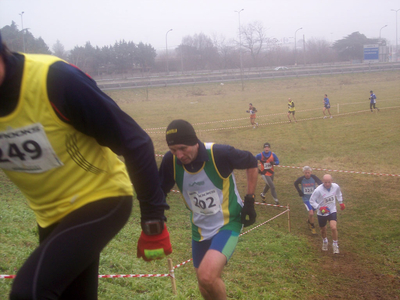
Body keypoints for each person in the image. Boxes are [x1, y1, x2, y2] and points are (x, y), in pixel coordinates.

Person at [0, 34, 171, 300]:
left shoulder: (55, 80)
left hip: (101, 198)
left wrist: (153, 220)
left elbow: (135, 141)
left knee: (29, 292)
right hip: (50, 214)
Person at [159, 119, 258, 300]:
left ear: (194, 141)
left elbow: (252, 161)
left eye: (183, 148)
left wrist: (250, 199)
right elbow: (159, 191)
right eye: (173, 150)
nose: (179, 155)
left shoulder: (219, 153)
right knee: (204, 287)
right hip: (199, 229)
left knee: (207, 276)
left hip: (228, 223)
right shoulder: (170, 161)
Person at [309, 174, 345, 254]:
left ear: (332, 181)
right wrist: (320, 208)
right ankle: (325, 241)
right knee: (323, 229)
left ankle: (335, 244)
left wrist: (341, 202)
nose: (327, 184)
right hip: (322, 213)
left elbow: (339, 194)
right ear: (322, 182)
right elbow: (311, 200)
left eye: (329, 182)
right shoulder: (318, 190)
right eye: (325, 182)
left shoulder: (335, 186)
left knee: (333, 228)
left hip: (332, 210)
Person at [294, 166, 322, 235]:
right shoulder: (301, 179)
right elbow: (295, 183)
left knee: (312, 213)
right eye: (306, 173)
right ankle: (312, 227)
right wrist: (299, 191)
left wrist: (319, 190)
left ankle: (309, 220)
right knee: (311, 213)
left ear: (311, 172)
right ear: (303, 173)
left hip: (314, 199)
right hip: (306, 199)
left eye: (308, 173)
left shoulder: (314, 177)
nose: (307, 174)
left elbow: (320, 183)